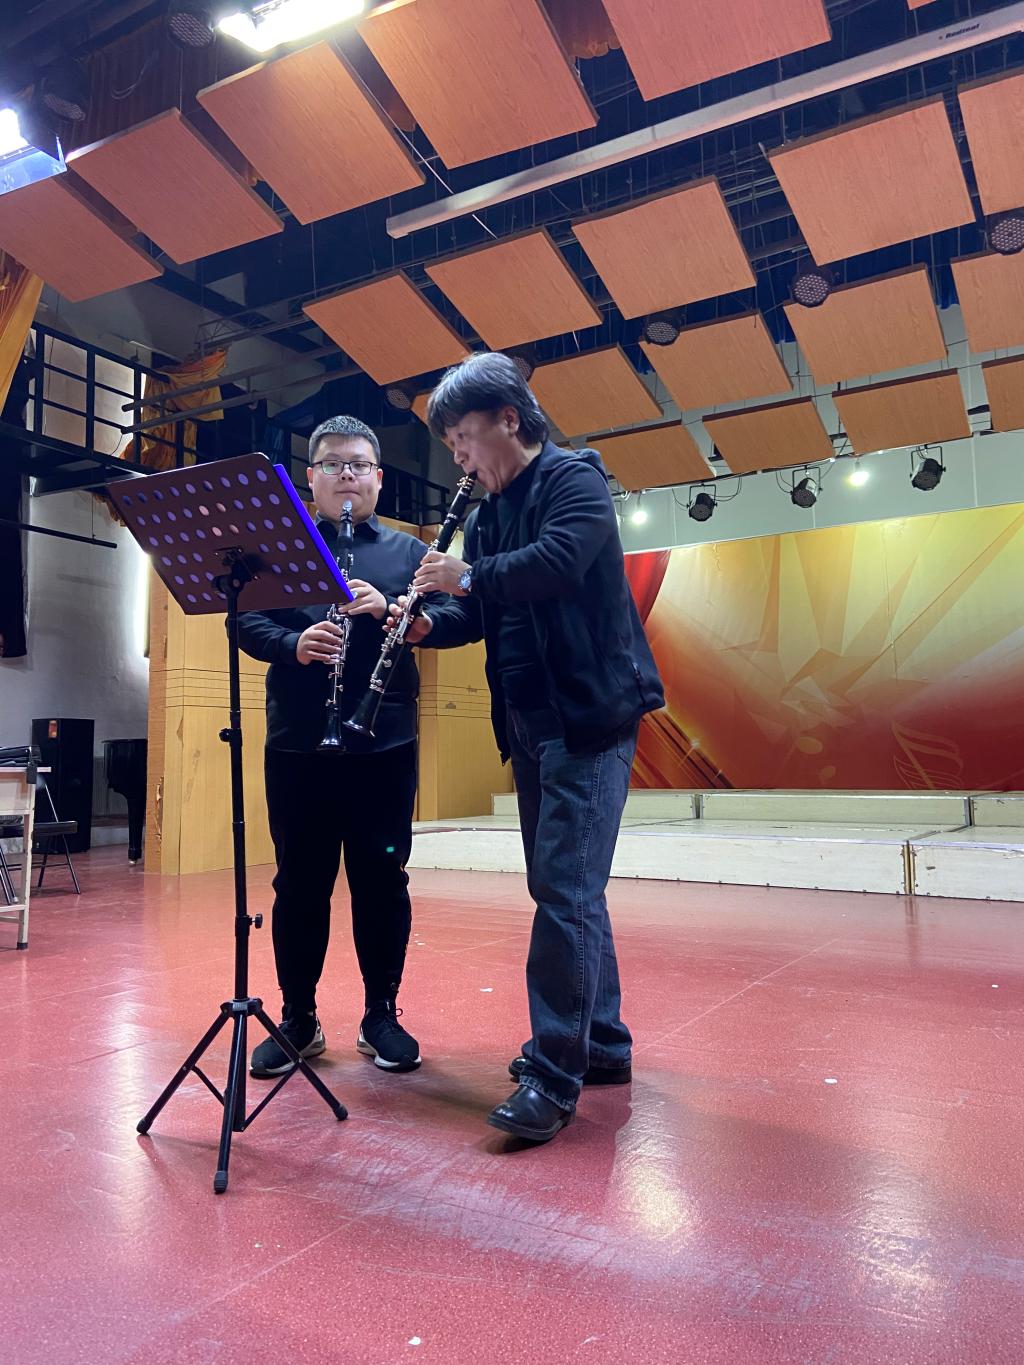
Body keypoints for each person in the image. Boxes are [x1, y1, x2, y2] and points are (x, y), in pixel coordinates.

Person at [398, 352, 665, 1143]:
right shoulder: (489, 517)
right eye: (451, 446)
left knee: (563, 891)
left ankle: (554, 1073)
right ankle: (602, 1042)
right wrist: (425, 623)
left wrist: (464, 577)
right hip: (530, 724)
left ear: (509, 419)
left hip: (591, 717)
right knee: (569, 888)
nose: (459, 458)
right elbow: (483, 609)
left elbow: (553, 565)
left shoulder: (575, 480)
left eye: (463, 439)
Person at [237, 415, 428, 1078]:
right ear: (310, 479)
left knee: (384, 882)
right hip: (298, 743)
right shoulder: (276, 551)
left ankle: (382, 1015)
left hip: (385, 744)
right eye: (333, 464)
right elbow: (246, 622)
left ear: (378, 478)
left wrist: (393, 610)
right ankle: (299, 1017)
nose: (347, 474)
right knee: (298, 885)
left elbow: (454, 614)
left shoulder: (409, 554)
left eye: (359, 464)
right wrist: (294, 644)